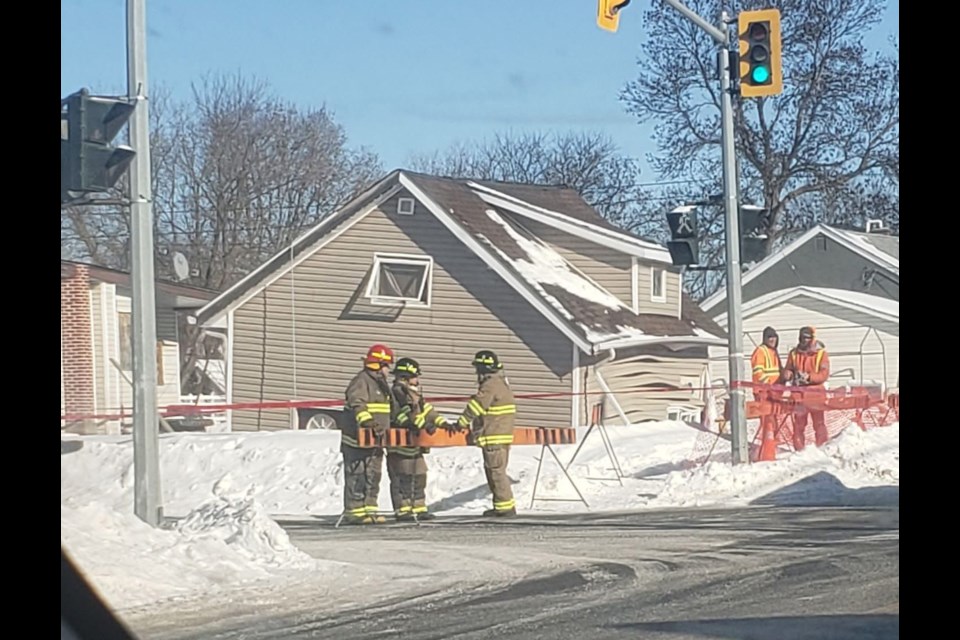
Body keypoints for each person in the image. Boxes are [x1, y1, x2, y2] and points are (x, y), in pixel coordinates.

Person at [455, 350, 517, 517]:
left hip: (493, 437)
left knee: (496, 473)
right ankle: (502, 506)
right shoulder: (502, 384)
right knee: (497, 472)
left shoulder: (489, 386)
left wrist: (461, 423)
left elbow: (476, 406)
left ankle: (505, 508)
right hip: (502, 437)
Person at [387, 357, 449, 522]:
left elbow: (426, 409)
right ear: (405, 376)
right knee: (403, 477)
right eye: (415, 376)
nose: (417, 379)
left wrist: (442, 423)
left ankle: (419, 507)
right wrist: (423, 425)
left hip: (415, 443)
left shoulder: (413, 392)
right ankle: (403, 510)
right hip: (401, 443)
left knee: (420, 475)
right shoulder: (397, 393)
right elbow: (402, 416)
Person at [341, 344, 395, 525]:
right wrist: (369, 423)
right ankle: (354, 512)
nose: (389, 370)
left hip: (376, 439)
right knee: (358, 474)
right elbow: (358, 404)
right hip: (357, 439)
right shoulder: (361, 381)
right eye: (387, 365)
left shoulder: (380, 383)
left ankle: (370, 509)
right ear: (379, 365)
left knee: (373, 474)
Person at [782, 326, 831, 450]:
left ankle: (823, 449)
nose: (805, 340)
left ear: (812, 338)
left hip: (816, 395)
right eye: (803, 337)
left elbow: (824, 374)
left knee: (819, 424)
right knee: (798, 425)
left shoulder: (821, 354)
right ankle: (799, 452)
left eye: (808, 338)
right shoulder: (793, 353)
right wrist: (788, 374)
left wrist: (809, 377)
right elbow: (789, 368)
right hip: (798, 396)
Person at [750, 327, 783, 461]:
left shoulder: (774, 352)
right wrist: (768, 384)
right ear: (765, 339)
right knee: (767, 420)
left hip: (774, 391)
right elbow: (758, 372)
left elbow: (778, 371)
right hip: (764, 391)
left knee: (774, 418)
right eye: (770, 337)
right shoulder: (760, 351)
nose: (772, 340)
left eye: (774, 337)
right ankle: (767, 446)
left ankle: (773, 443)